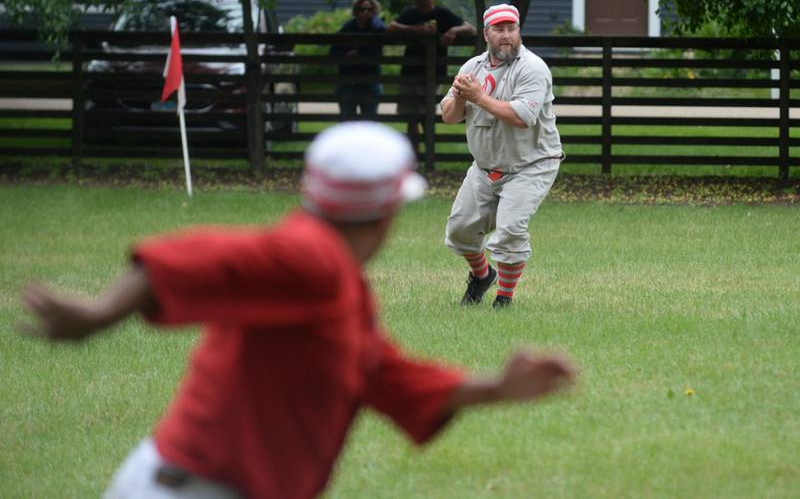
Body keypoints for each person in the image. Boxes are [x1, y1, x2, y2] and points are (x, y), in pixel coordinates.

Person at [18, 121, 575, 499]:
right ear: (385, 217)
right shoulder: (307, 257)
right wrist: (96, 315)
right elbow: (185, 258)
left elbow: (382, 373)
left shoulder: (331, 277)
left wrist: (497, 387)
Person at [441, 4, 564, 309]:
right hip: (484, 167)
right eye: (499, 29)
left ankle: (503, 300)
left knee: (509, 231)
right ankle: (482, 276)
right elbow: (449, 116)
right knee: (460, 231)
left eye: (512, 29)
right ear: (486, 34)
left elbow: (522, 117)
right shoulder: (471, 69)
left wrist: (478, 97)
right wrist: (459, 94)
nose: (506, 36)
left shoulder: (533, 68)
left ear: (519, 31)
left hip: (531, 164)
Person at [386, 0, 475, 148]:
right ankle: (414, 154)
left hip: (434, 73)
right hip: (409, 72)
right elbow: (391, 27)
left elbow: (470, 28)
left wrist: (453, 31)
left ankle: (429, 155)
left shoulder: (442, 14)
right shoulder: (410, 14)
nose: (422, 1)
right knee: (410, 116)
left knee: (427, 114)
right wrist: (416, 30)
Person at [330, 0, 386, 119]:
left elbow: (382, 30)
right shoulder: (348, 27)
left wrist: (360, 52)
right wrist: (347, 55)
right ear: (356, 11)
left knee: (369, 123)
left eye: (369, 9)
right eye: (362, 9)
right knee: (348, 123)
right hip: (348, 82)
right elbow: (334, 51)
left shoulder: (376, 27)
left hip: (370, 82)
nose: (366, 12)